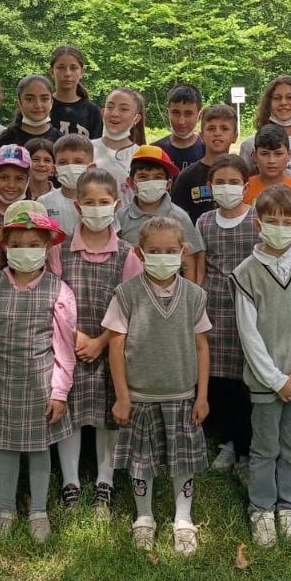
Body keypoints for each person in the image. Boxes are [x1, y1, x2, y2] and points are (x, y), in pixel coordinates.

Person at [0, 201, 75, 544]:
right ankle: (6, 508)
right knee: (6, 449)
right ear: (4, 247)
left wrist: (59, 392)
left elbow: (65, 348)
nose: (24, 251)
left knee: (40, 449)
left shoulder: (59, 290)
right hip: (1, 383)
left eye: (33, 245)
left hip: (41, 386)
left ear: (46, 247)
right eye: (16, 245)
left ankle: (39, 509)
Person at [107, 216, 212, 555]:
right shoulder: (127, 294)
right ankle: (144, 518)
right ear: (140, 252)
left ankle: (183, 519)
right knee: (142, 460)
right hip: (140, 396)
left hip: (182, 395)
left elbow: (201, 346)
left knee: (183, 461)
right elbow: (116, 346)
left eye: (171, 250)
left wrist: (202, 395)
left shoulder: (195, 295)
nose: (163, 256)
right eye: (154, 251)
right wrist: (122, 396)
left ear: (183, 252)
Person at [232, 185, 291, 548]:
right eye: (272, 221)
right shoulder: (246, 273)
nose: (280, 227)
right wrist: (275, 379)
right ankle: (261, 508)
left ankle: (290, 507)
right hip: (265, 381)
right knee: (265, 446)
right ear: (258, 223)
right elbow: (249, 333)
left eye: (287, 221)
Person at [51, 168, 144, 516]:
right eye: (88, 202)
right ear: (77, 206)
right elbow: (53, 300)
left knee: (108, 414)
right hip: (70, 346)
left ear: (116, 205)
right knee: (69, 413)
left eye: (103, 202)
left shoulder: (126, 253)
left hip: (111, 348)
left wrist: (102, 341)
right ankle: (70, 481)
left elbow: (133, 304)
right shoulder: (59, 251)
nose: (95, 208)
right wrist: (77, 338)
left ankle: (105, 480)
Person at [195, 154, 257, 479]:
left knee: (245, 382)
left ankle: (247, 449)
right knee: (219, 380)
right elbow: (202, 267)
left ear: (246, 186)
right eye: (220, 182)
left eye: (233, 182)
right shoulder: (204, 222)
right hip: (215, 306)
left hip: (248, 307)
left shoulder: (257, 218)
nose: (226, 187)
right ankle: (228, 442)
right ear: (209, 187)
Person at [113, 145, 204, 280]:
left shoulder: (179, 217)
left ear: (168, 184)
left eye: (157, 177)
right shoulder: (121, 217)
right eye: (143, 177)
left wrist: (189, 293)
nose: (151, 182)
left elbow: (189, 261)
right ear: (131, 183)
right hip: (131, 292)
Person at [238, 75, 291, 181]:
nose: (283, 103)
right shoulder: (249, 144)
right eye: (277, 98)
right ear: (268, 103)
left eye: (290, 97)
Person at [172, 103, 238, 223]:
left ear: (235, 136)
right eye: (211, 128)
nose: (217, 133)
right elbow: (178, 218)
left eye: (224, 128)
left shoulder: (243, 173)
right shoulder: (187, 176)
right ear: (201, 136)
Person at [91, 87, 147, 194]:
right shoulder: (86, 149)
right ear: (103, 112)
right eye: (110, 107)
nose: (115, 113)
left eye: (124, 109)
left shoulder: (142, 156)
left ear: (137, 118)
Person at [39, 133, 95, 236]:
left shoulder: (101, 202)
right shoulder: (43, 203)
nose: (70, 167)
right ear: (55, 169)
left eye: (78, 162)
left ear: (91, 168)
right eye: (63, 162)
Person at [242, 124, 291, 204]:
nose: (271, 160)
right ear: (255, 156)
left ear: (289, 154)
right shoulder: (244, 188)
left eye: (278, 154)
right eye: (264, 153)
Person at [0, 74, 62, 149]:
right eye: (29, 99)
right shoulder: (5, 141)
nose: (38, 105)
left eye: (44, 99)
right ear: (19, 104)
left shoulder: (61, 141)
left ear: (51, 103)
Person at [49, 45, 103, 138]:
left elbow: (96, 148)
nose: (67, 74)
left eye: (73, 68)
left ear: (82, 72)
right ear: (51, 71)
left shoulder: (92, 111)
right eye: (61, 67)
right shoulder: (42, 107)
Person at [0, 143, 32, 238]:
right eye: (4, 177)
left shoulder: (37, 215)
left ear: (28, 181)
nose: (11, 185)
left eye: (19, 178)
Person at [154, 83, 205, 172]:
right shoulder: (155, 151)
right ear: (168, 113)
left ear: (199, 116)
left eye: (188, 114)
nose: (181, 121)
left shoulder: (207, 151)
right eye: (176, 112)